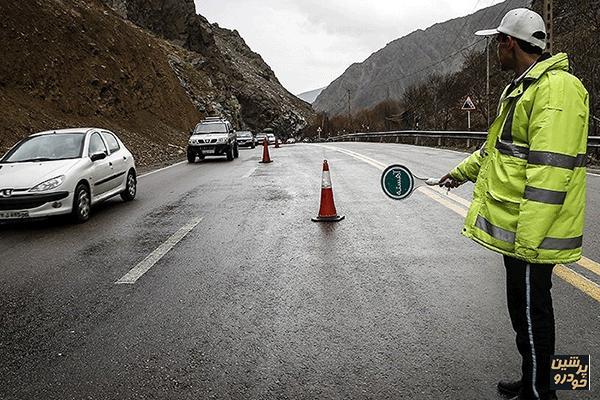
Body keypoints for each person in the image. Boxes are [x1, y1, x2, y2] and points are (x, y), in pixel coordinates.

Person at [439, 8, 589, 400]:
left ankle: (541, 392)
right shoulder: (525, 87)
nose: (495, 51)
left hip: (533, 233)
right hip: (524, 230)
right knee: (525, 311)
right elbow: (497, 153)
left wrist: (528, 241)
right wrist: (459, 172)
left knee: (532, 312)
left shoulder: (556, 90)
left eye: (497, 43)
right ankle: (534, 380)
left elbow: (549, 173)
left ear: (509, 42)